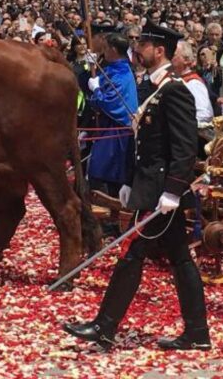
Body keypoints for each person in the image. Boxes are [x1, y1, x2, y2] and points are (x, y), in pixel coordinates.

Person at [63, 23, 209, 351]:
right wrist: (130, 183)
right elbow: (143, 143)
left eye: (142, 43)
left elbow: (185, 149)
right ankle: (198, 333)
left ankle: (105, 326)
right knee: (180, 259)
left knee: (133, 255)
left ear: (159, 50)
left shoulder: (175, 90)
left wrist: (173, 190)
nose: (137, 48)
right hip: (152, 187)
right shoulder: (152, 87)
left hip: (163, 193)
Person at [83, 33, 138, 197]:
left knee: (103, 173)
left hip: (118, 131)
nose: (103, 51)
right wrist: (89, 68)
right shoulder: (110, 68)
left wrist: (97, 90)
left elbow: (110, 102)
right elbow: (91, 85)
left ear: (113, 49)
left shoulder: (122, 74)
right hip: (105, 126)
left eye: (106, 48)